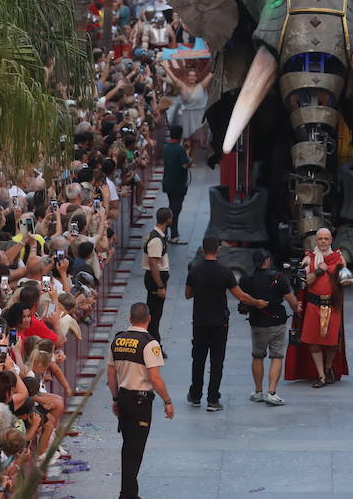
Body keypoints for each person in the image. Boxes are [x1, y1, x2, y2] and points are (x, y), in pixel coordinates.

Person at [183, 236, 265, 411]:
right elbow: (240, 296)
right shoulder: (225, 271)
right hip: (220, 322)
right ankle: (213, 399)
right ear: (218, 250)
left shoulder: (195, 271)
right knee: (216, 361)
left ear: (203, 250)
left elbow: (188, 294)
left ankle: (195, 395)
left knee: (198, 359)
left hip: (199, 321)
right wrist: (257, 302)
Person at [107, 302, 173, 499]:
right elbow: (155, 378)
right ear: (149, 319)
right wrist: (167, 401)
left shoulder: (117, 340)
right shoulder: (149, 343)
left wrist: (115, 398)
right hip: (140, 402)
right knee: (134, 451)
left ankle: (129, 493)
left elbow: (111, 374)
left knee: (129, 446)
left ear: (130, 319)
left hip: (124, 398)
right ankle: (127, 495)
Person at [240, 249, 298, 407]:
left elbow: (243, 300)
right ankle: (271, 392)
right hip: (276, 322)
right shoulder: (278, 278)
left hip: (257, 322)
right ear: (266, 261)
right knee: (277, 356)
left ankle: (258, 391)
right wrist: (297, 310)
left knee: (257, 356)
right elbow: (291, 300)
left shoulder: (246, 279)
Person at [298, 227, 347, 387]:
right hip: (313, 305)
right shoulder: (308, 259)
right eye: (320, 239)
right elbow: (305, 282)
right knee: (313, 342)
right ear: (316, 241)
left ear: (331, 240)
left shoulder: (339, 258)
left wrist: (343, 275)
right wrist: (320, 270)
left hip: (332, 305)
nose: (323, 242)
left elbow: (347, 281)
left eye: (326, 239)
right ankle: (321, 376)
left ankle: (328, 368)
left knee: (333, 342)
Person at [142, 208, 172, 345]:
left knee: (155, 313)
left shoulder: (156, 236)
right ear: (168, 220)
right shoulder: (156, 240)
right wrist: (160, 285)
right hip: (156, 280)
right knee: (155, 314)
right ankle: (154, 344)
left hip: (156, 278)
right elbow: (153, 264)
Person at [160, 126, 192, 245]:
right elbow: (184, 164)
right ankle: (173, 234)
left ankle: (167, 232)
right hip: (178, 183)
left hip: (168, 182)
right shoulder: (179, 149)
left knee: (172, 206)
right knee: (176, 209)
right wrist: (189, 162)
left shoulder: (166, 147)